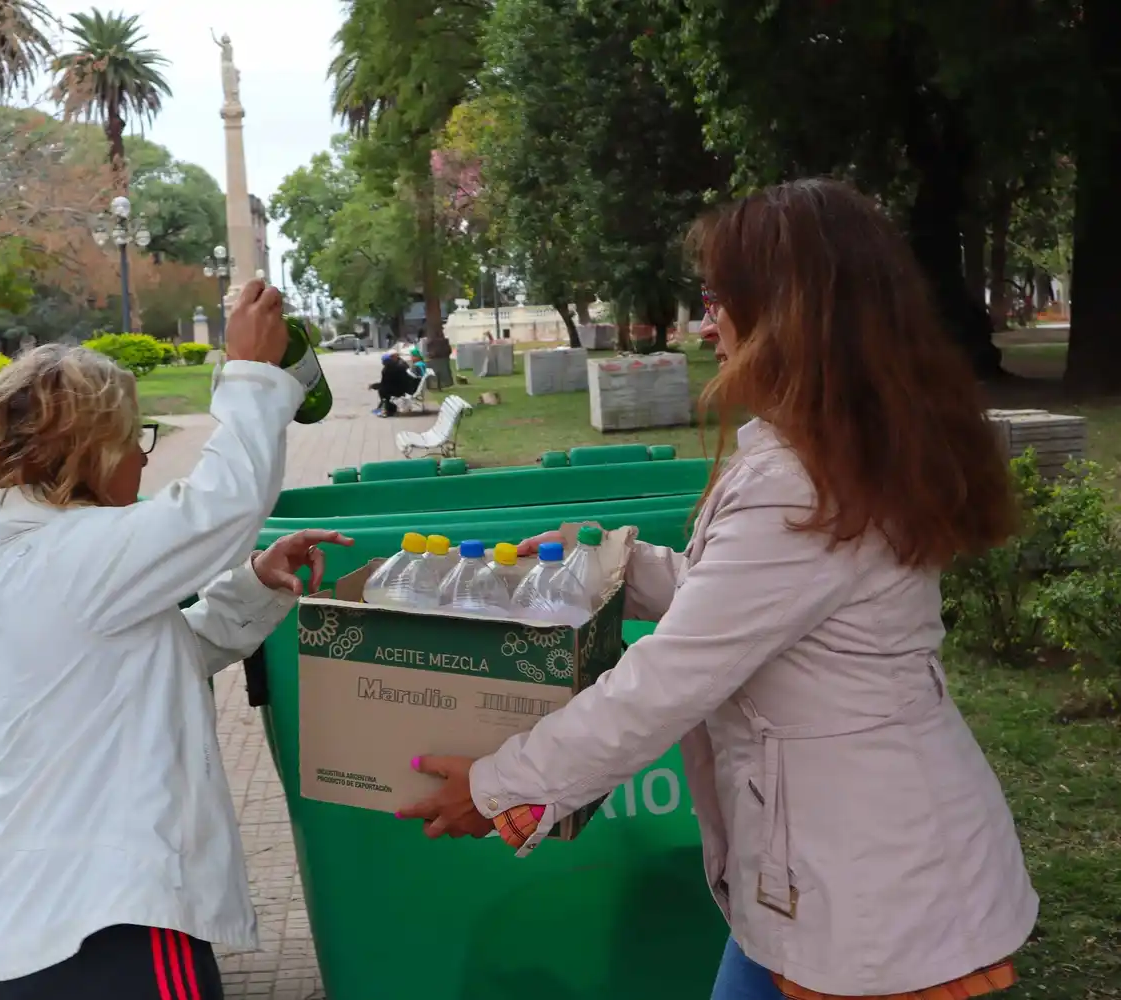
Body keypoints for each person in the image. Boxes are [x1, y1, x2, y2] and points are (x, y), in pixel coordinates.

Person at [400, 180, 1036, 1000]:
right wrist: (607, 562)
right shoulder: (842, 450)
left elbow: (667, 680)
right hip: (833, 874)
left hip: (874, 901)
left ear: (786, 314)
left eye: (716, 302)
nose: (707, 327)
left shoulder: (800, 482)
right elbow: (749, 607)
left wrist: (502, 788)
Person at [0, 279, 352, 1000]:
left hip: (39, 932)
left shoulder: (27, 565)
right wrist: (251, 373)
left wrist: (253, 584)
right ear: (88, 452)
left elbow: (162, 659)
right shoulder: (77, 558)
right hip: (114, 924)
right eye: (134, 440)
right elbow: (222, 506)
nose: (144, 461)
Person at [371, 351, 419, 417]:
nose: (382, 363)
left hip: (403, 389)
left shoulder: (389, 369)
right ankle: (385, 408)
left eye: (383, 361)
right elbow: (388, 382)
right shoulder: (399, 364)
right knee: (384, 390)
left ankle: (387, 410)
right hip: (405, 387)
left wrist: (375, 386)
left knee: (383, 391)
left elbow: (386, 383)